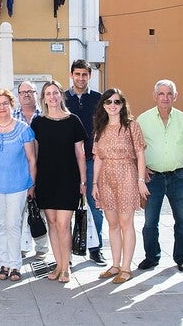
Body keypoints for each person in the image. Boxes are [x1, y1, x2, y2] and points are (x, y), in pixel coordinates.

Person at [136, 80, 183, 273]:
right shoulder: (143, 119)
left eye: (169, 93)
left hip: (177, 178)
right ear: (154, 96)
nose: (165, 98)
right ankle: (151, 257)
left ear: (175, 96)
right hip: (152, 179)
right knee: (150, 223)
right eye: (161, 94)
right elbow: (135, 148)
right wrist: (141, 170)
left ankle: (181, 258)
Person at [31, 81, 87, 283]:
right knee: (52, 223)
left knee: (63, 224)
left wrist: (83, 181)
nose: (52, 97)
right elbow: (34, 155)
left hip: (68, 179)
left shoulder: (73, 120)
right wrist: (32, 183)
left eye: (55, 93)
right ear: (44, 98)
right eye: (48, 93)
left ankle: (66, 267)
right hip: (45, 179)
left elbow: (80, 154)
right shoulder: (38, 122)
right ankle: (58, 265)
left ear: (61, 96)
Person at [91, 88, 148, 284]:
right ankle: (115, 265)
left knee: (126, 223)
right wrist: (94, 183)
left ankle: (126, 267)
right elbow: (98, 157)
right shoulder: (100, 127)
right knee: (113, 223)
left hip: (127, 175)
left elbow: (140, 154)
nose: (112, 105)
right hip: (106, 177)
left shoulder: (131, 126)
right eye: (108, 102)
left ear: (122, 104)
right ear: (103, 105)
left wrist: (141, 181)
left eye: (116, 102)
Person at [0, 89, 37, 282]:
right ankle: (3, 264)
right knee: (1, 224)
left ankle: (15, 265)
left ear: (12, 105)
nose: (2, 107)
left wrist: (32, 185)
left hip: (18, 185)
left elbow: (31, 159)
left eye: (5, 103)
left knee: (13, 224)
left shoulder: (23, 129)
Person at [64, 59, 107, 266]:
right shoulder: (62, 98)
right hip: (67, 163)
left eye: (84, 74)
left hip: (92, 161)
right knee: (67, 208)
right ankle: (68, 252)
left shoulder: (99, 99)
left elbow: (106, 127)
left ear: (90, 76)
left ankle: (95, 249)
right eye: (77, 74)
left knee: (95, 206)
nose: (81, 78)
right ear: (71, 75)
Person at [12, 80, 49, 260]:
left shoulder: (45, 116)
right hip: (17, 171)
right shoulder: (11, 117)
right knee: (17, 212)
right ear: (18, 95)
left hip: (42, 170)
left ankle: (42, 248)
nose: (26, 94)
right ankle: (19, 248)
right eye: (22, 92)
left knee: (39, 211)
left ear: (36, 94)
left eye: (30, 91)